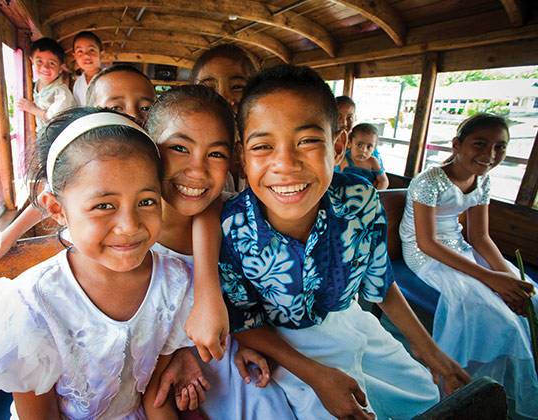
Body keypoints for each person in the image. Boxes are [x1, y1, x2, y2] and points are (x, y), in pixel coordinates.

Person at [219, 64, 471, 420]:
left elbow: (379, 282)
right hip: (281, 346)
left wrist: (431, 352)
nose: (285, 164)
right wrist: (317, 377)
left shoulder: (359, 200)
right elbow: (244, 321)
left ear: (337, 147)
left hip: (348, 322)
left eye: (307, 141)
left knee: (425, 396)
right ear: (242, 158)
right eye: (263, 146)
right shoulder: (233, 224)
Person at [0, 109, 195, 419]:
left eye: (146, 201)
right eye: (103, 206)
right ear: (57, 209)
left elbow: (155, 397)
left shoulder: (174, 282)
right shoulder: (32, 303)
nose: (130, 226)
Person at [147, 85, 296, 419]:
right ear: (150, 147)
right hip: (160, 375)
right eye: (180, 148)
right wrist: (178, 353)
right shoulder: (132, 238)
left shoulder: (236, 221)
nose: (197, 170)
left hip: (234, 359)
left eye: (216, 154)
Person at [398, 113, 538, 418]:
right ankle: (469, 384)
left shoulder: (482, 181)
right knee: (492, 311)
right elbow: (427, 243)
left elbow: (480, 237)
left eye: (500, 147)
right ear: (457, 144)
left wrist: (504, 276)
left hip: (459, 246)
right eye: (480, 144)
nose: (489, 155)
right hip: (426, 253)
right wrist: (490, 280)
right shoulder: (429, 181)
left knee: (531, 296)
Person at [0, 65, 157, 278]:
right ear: (92, 110)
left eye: (146, 107)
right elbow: (59, 194)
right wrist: (7, 236)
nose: (133, 114)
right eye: (116, 108)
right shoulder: (85, 158)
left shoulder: (159, 153)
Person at [190, 44, 258, 193]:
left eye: (237, 87)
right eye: (208, 88)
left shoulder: (266, 154)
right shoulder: (186, 160)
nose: (224, 98)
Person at [18, 38, 76, 134]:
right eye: (39, 61)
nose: (45, 67)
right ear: (32, 61)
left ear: (61, 68)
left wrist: (32, 109)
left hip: (58, 138)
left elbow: (54, 118)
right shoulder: (33, 85)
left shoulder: (61, 92)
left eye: (51, 63)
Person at [339, 123, 389, 190]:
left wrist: (376, 195)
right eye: (359, 145)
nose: (364, 150)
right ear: (350, 143)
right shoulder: (344, 159)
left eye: (369, 147)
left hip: (368, 197)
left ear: (374, 148)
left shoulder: (373, 162)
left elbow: (384, 181)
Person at [71, 31, 103, 106]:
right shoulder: (78, 83)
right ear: (75, 57)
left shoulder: (109, 79)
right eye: (80, 51)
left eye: (91, 50)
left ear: (101, 55)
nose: (86, 55)